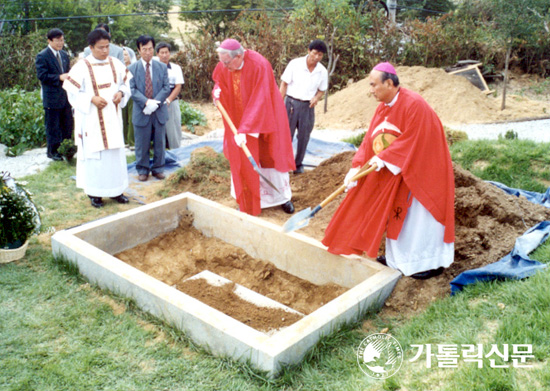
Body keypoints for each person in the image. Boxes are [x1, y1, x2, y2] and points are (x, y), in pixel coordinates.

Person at [322, 62, 455, 280]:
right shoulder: (384, 107)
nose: (371, 90)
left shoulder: (414, 105)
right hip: (401, 169)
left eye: (374, 85)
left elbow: (414, 139)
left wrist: (383, 159)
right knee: (399, 215)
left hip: (424, 170)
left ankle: (427, 262)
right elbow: (369, 140)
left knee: (418, 219)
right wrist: (356, 167)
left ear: (389, 83)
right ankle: (399, 259)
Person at [212, 39, 295, 216]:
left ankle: (282, 198)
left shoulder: (259, 65)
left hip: (265, 118)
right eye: (222, 62)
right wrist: (217, 91)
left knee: (272, 156)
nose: (224, 66)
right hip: (238, 122)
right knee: (243, 161)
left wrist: (246, 129)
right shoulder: (224, 65)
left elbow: (261, 99)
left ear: (239, 56)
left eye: (227, 62)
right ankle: (245, 199)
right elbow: (219, 80)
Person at [62, 29, 132, 208]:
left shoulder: (115, 63)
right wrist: (91, 99)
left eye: (107, 47)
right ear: (91, 47)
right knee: (96, 158)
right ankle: (95, 193)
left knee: (114, 157)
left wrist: (120, 93)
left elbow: (126, 84)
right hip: (92, 121)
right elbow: (72, 93)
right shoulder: (81, 67)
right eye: (101, 48)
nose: (105, 51)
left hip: (112, 118)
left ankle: (117, 190)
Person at [280, 39, 328, 174]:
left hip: (307, 107)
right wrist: (279, 103)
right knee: (286, 135)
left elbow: (321, 90)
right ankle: (283, 163)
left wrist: (316, 98)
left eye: (320, 55)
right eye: (315, 53)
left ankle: (298, 164)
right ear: (308, 51)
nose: (317, 57)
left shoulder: (322, 71)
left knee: (304, 136)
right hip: (291, 104)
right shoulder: (295, 64)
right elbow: (284, 84)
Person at [128, 35, 170, 181]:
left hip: (158, 111)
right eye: (144, 49)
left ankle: (158, 168)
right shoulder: (131, 69)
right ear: (138, 50)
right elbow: (131, 89)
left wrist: (155, 103)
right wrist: (146, 102)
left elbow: (166, 87)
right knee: (141, 143)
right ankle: (142, 169)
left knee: (159, 142)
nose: (148, 52)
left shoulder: (162, 67)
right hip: (141, 111)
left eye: (150, 49)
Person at [35, 28, 74, 161]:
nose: (60, 43)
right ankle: (53, 152)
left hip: (65, 96)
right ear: (49, 40)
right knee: (53, 126)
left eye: (62, 40)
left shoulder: (63, 55)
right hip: (51, 97)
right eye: (57, 40)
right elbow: (42, 76)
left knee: (67, 124)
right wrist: (59, 77)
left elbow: (68, 72)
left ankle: (67, 150)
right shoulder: (42, 56)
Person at [155, 42, 184, 149]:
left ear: (169, 53)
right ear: (157, 54)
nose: (164, 55)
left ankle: (176, 153)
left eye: (166, 52)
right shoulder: (153, 68)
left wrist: (168, 100)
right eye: (161, 53)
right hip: (156, 103)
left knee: (174, 130)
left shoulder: (176, 68)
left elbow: (178, 86)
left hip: (172, 102)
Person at [121, 46, 136, 147]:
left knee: (132, 117)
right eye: (122, 55)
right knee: (122, 117)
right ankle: (124, 140)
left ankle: (132, 141)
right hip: (122, 94)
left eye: (126, 55)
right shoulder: (120, 67)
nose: (124, 57)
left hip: (132, 93)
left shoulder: (134, 67)